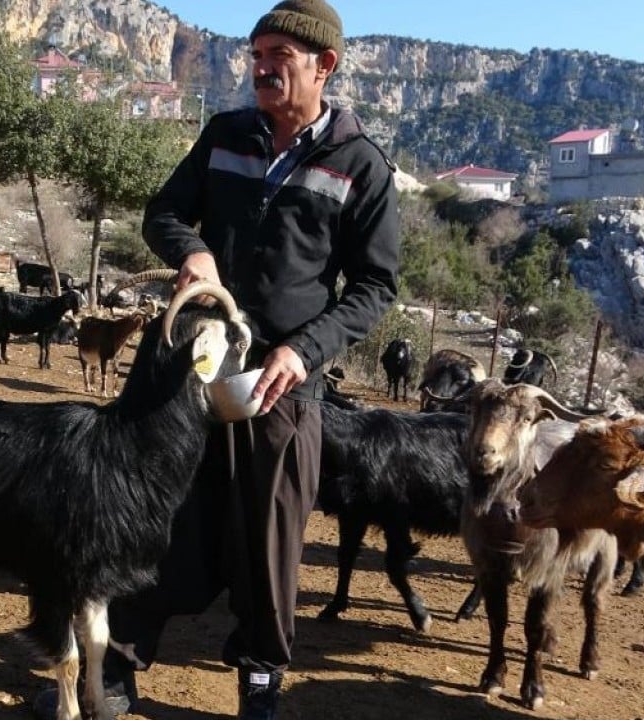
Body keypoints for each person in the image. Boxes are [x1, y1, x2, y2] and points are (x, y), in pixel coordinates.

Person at [34, 1, 399, 718]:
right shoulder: (224, 134)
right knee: (151, 505)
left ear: (324, 66)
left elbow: (375, 287)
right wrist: (191, 251)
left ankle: (261, 674)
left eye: (279, 58)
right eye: (256, 54)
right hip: (189, 361)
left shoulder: (361, 165)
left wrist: (304, 349)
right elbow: (163, 213)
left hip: (279, 376)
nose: (262, 68)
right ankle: (119, 660)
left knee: (270, 529)